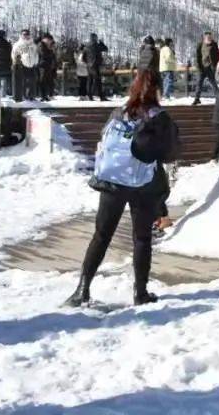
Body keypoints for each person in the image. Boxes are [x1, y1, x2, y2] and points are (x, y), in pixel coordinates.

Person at [65, 69, 181, 308]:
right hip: (142, 184)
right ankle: (140, 293)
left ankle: (82, 289)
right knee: (141, 238)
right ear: (157, 90)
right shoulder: (159, 117)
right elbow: (169, 153)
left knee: (101, 235)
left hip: (112, 180)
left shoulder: (120, 112)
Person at [11, 29, 39, 102]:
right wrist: (15, 62)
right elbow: (14, 54)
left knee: (32, 81)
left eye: (27, 34)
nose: (25, 35)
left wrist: (36, 62)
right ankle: (23, 96)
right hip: (22, 65)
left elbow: (36, 54)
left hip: (32, 65)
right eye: (24, 34)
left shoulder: (33, 44)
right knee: (22, 82)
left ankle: (31, 96)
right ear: (21, 35)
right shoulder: (17, 44)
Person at [192, 32, 219, 105]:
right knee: (199, 83)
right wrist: (199, 66)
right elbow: (197, 56)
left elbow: (217, 55)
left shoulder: (214, 44)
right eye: (207, 37)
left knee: (213, 83)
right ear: (204, 38)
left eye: (210, 37)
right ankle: (197, 98)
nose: (209, 38)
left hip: (210, 67)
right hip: (202, 67)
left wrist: (214, 65)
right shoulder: (200, 45)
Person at [84, 33, 108, 101]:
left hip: (89, 66)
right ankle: (101, 96)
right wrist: (101, 43)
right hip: (95, 65)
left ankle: (89, 96)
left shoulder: (87, 46)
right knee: (98, 81)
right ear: (95, 38)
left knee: (90, 81)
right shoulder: (96, 45)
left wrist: (88, 63)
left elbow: (83, 57)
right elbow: (105, 49)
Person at [37, 34, 57, 101]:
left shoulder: (48, 46)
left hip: (48, 66)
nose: (50, 41)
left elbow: (52, 56)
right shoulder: (41, 45)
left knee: (48, 81)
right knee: (43, 81)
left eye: (50, 40)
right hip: (42, 65)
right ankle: (43, 96)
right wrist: (50, 50)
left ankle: (46, 95)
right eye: (49, 40)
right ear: (45, 39)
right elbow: (43, 54)